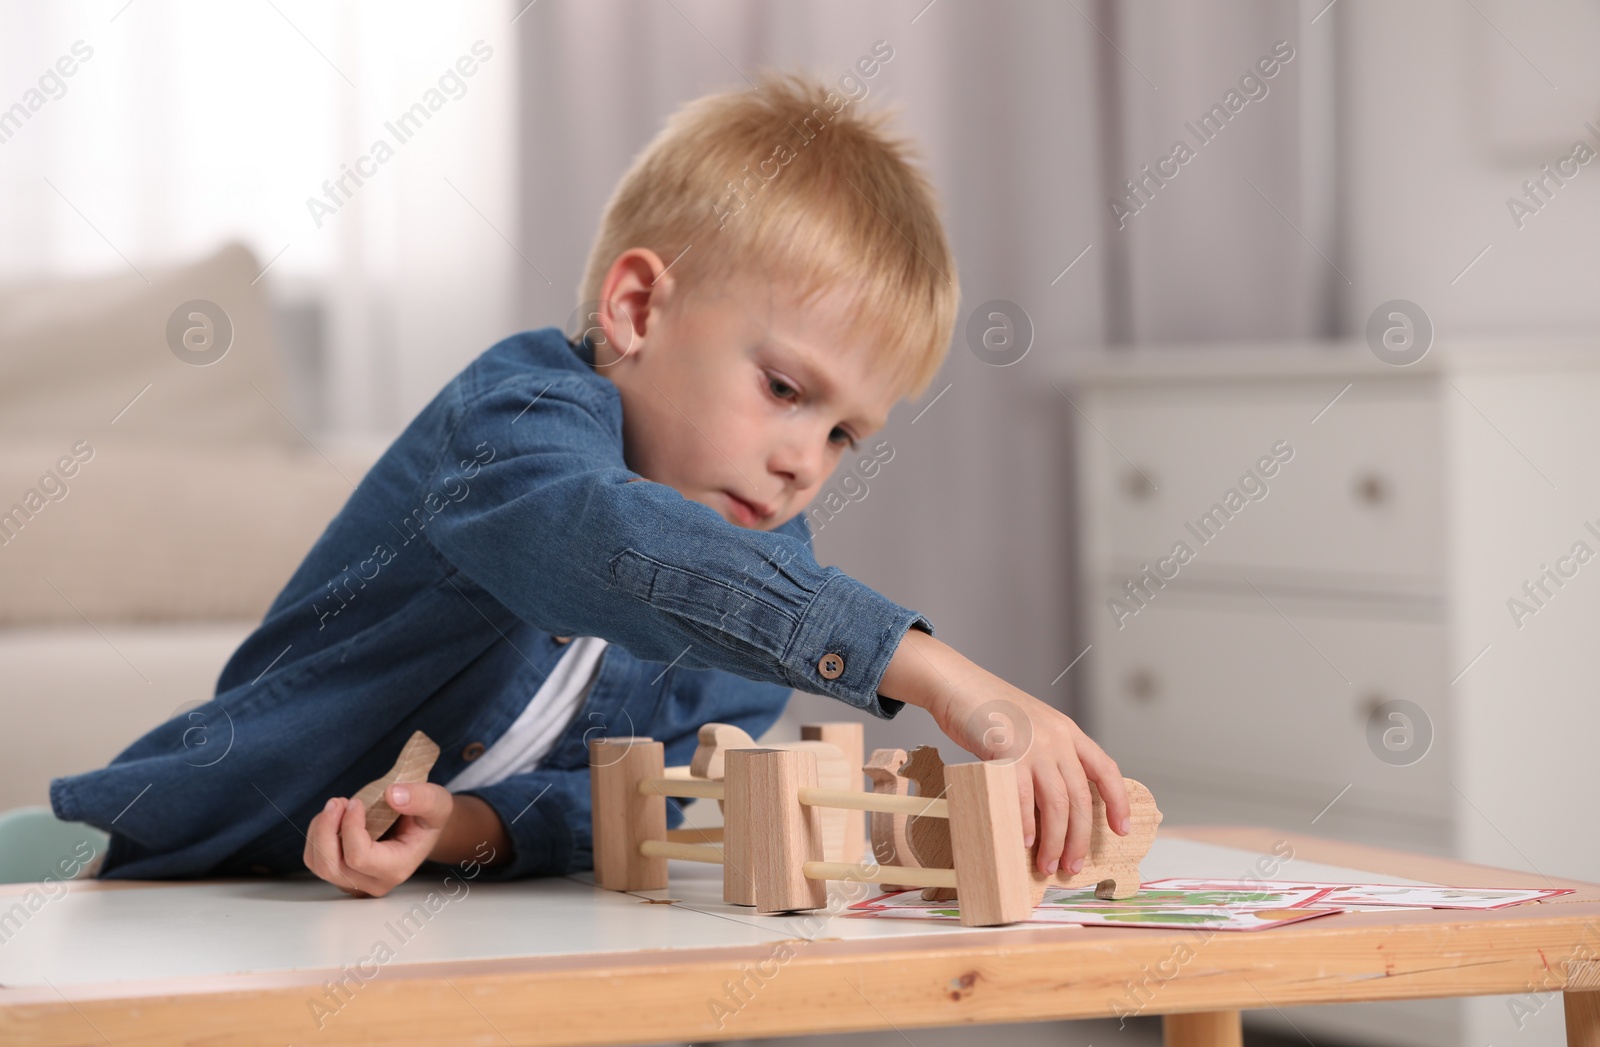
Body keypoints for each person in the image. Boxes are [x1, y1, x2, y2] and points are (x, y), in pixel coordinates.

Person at [50, 70, 1128, 897]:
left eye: (845, 432)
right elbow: (593, 540)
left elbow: (639, 795)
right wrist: (927, 666)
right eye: (786, 387)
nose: (806, 456)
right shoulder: (513, 421)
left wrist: (463, 830)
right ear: (636, 310)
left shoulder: (764, 590)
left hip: (371, 914)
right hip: (162, 861)